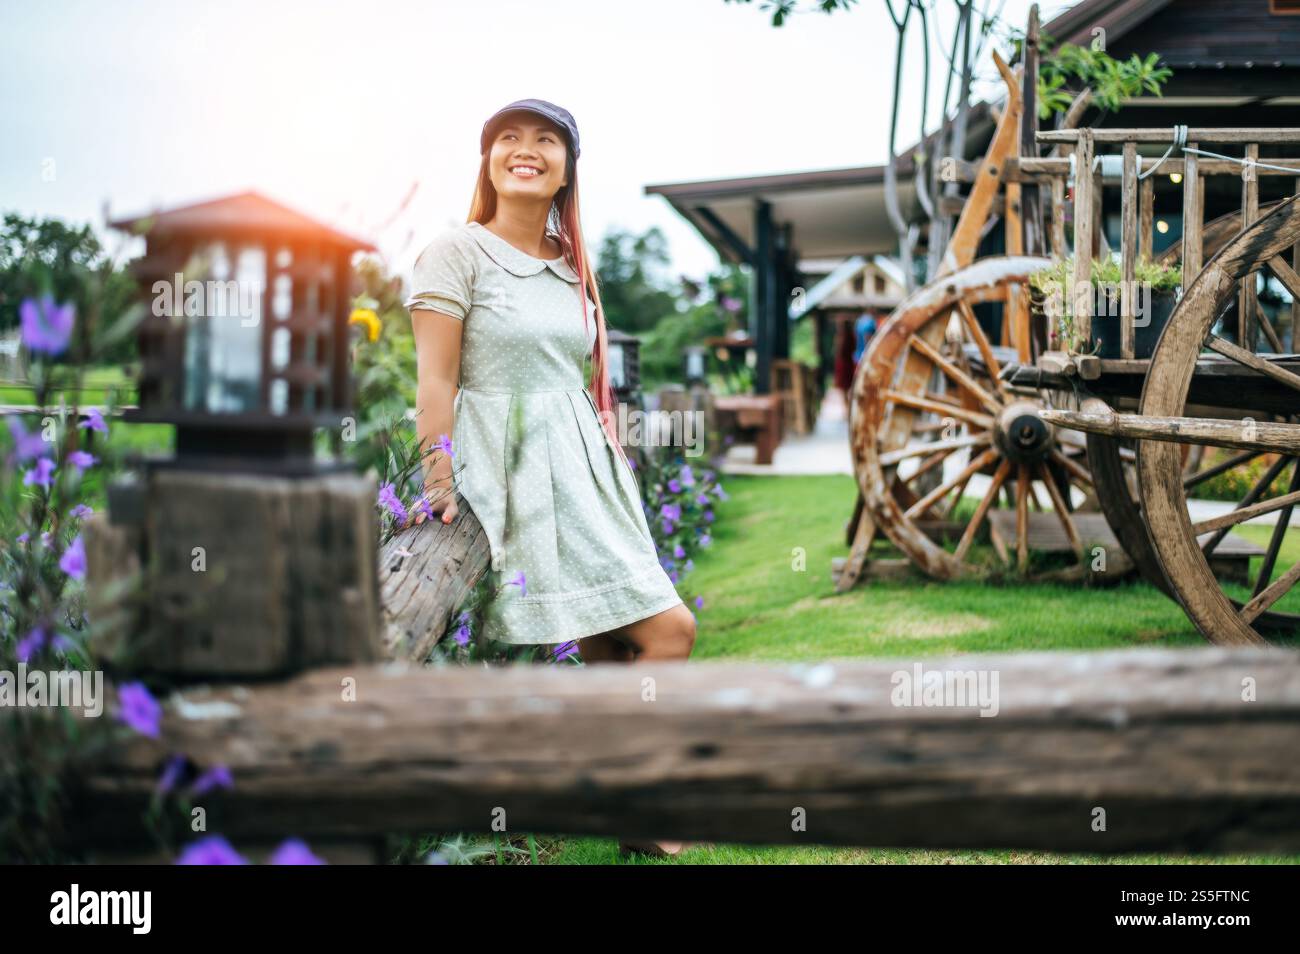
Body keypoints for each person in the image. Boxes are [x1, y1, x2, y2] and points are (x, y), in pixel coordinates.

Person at [404, 100, 696, 857]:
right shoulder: (456, 253)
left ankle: (620, 801)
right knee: (669, 631)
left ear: (568, 166)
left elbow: (581, 382)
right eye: (508, 138)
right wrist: (438, 478)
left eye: (545, 140)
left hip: (587, 472)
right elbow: (434, 381)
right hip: (513, 465)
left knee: (621, 647)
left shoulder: (572, 265)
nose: (525, 150)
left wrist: (610, 466)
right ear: (488, 159)